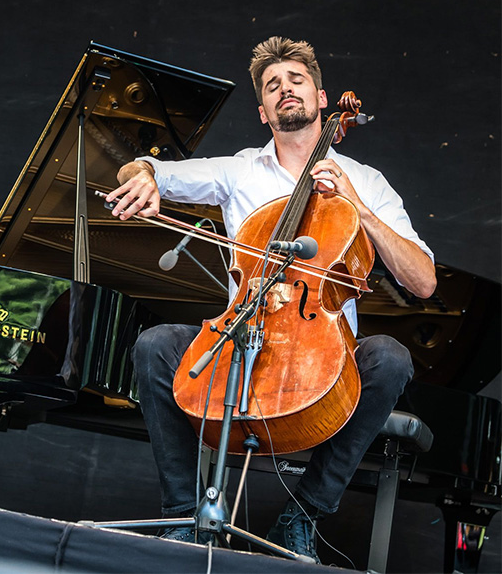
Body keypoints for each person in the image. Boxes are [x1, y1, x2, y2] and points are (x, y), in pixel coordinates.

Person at [105, 37, 436, 562]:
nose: (285, 89)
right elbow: (145, 169)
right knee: (156, 345)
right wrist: (142, 177)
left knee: (390, 359)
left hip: (323, 352)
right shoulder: (240, 171)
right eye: (272, 85)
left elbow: (423, 281)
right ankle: (182, 517)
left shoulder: (366, 181)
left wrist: (358, 209)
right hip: (242, 334)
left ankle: (303, 514)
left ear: (321, 98)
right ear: (263, 111)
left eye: (296, 80)